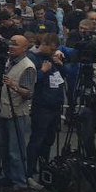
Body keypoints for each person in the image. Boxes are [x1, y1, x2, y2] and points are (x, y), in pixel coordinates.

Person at [0, 34, 36, 192]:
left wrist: (14, 85)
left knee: (16, 150)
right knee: (4, 149)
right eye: (10, 43)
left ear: (25, 48)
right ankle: (8, 177)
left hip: (17, 113)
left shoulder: (28, 66)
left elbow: (28, 93)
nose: (11, 47)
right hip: (3, 111)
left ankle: (20, 181)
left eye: (15, 45)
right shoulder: (8, 61)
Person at [27, 33, 65, 184]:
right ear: (43, 44)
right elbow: (31, 82)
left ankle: (44, 170)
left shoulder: (52, 58)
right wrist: (42, 71)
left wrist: (60, 66)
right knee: (37, 139)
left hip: (55, 105)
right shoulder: (32, 58)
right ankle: (29, 171)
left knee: (49, 139)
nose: (53, 51)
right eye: (52, 49)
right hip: (42, 105)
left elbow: (61, 79)